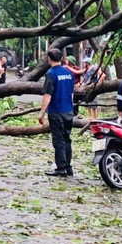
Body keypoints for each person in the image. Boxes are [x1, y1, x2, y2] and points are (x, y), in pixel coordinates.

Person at [37, 49, 76, 177]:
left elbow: (47, 95)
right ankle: (68, 166)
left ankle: (61, 168)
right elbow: (71, 93)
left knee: (58, 140)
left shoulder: (51, 74)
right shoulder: (69, 73)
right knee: (67, 139)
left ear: (49, 59)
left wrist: (42, 112)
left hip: (56, 111)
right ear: (61, 58)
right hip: (68, 111)